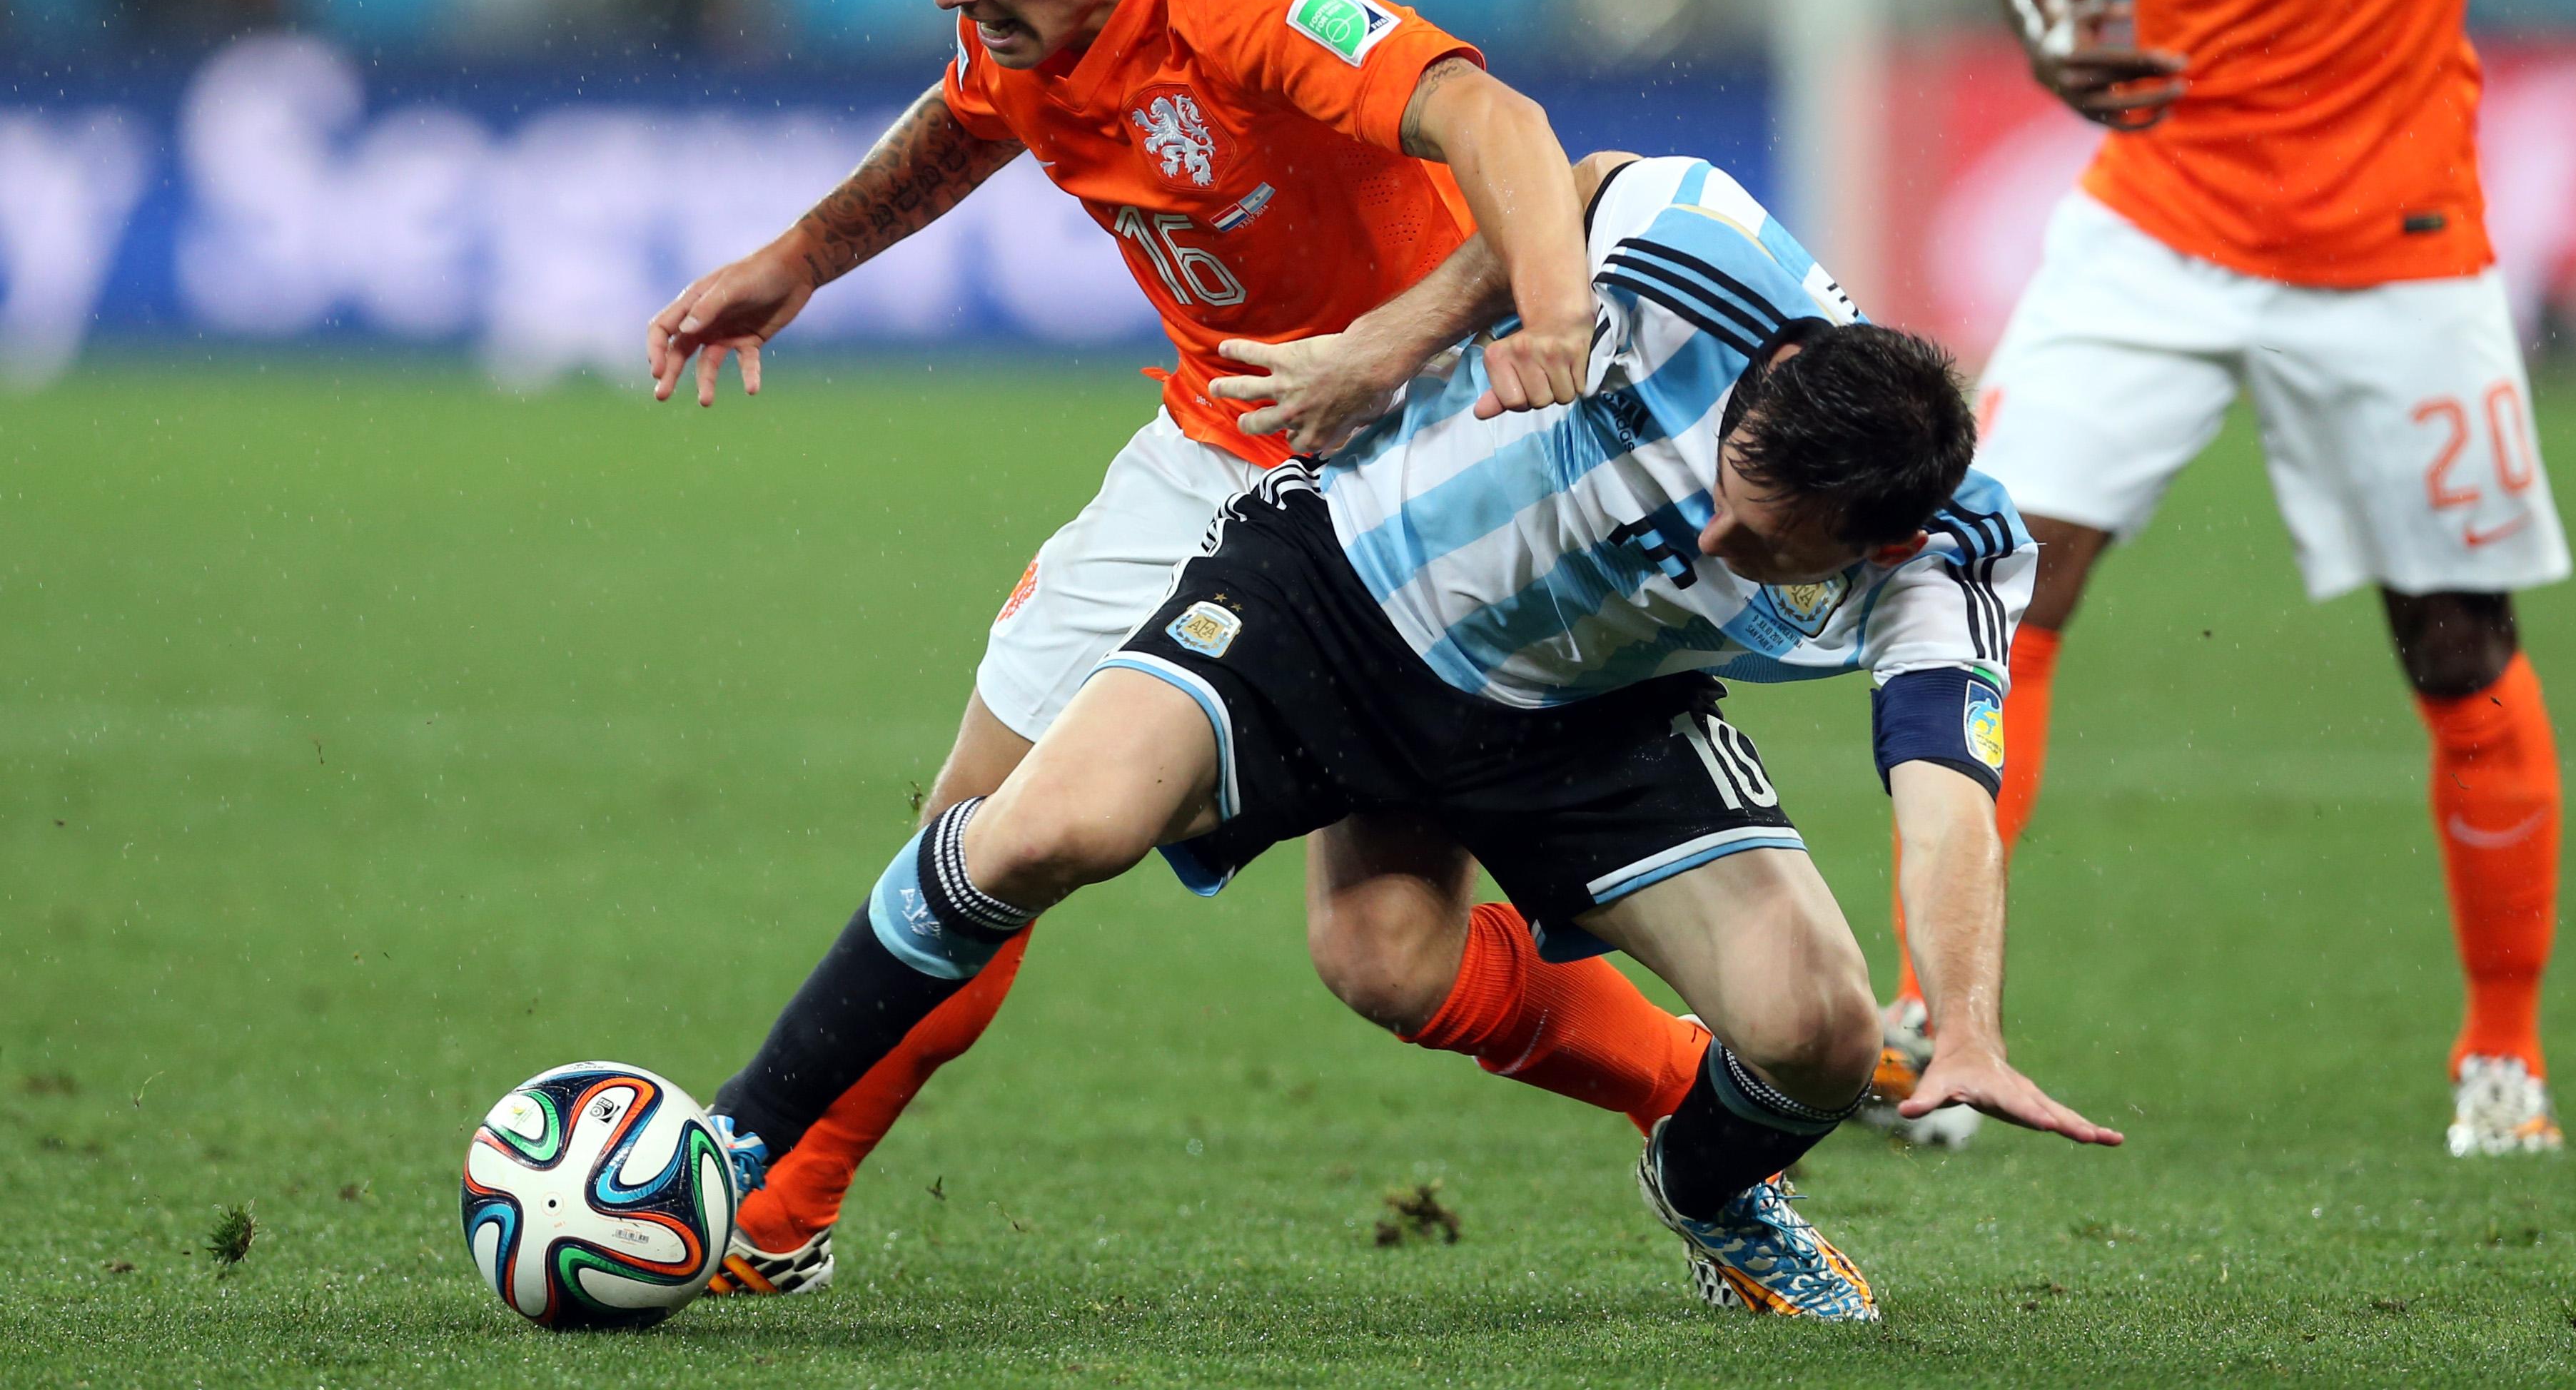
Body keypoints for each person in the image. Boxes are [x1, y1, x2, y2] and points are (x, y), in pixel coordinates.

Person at [706, 151, 2121, 1324]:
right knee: (1046, 826)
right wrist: (1403, 341)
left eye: (1764, 544)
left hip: (1590, 706)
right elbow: (1564, 179)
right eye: (1727, 483)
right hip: (1339, 583)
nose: (1714, 534)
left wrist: (1974, 1023)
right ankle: (733, 1145)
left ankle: (1709, 1181)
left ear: (1888, 540)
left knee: (1814, 1031)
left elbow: (1944, 788)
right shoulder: (1705, 258)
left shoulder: (1961, 558)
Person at [649, 0, 1717, 1293]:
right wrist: (805, 256)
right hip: (1217, 439)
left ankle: (1703, 1099)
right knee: (977, 836)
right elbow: (969, 114)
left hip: (1411, 464)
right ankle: (783, 1208)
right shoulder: (1027, 19)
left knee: (1387, 957)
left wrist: (1526, 323)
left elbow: (1494, 121)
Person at [1881, 0, 2576, 1156]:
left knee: (2457, 636)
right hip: (2156, 219)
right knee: (1995, 574)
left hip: (2400, 238)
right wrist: (2053, 24)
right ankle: (1931, 1021)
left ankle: (2503, 1056)